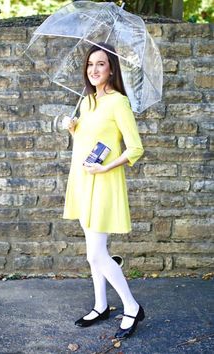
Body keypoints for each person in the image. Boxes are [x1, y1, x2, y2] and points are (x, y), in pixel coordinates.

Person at [63, 42, 145, 339]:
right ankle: (100, 305)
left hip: (104, 181)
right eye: (90, 65)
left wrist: (105, 168)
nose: (94, 70)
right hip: (84, 180)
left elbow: (135, 148)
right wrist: (74, 128)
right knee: (92, 253)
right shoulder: (87, 101)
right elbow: (88, 141)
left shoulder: (118, 102)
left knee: (97, 254)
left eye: (100, 64)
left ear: (111, 69)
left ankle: (132, 306)